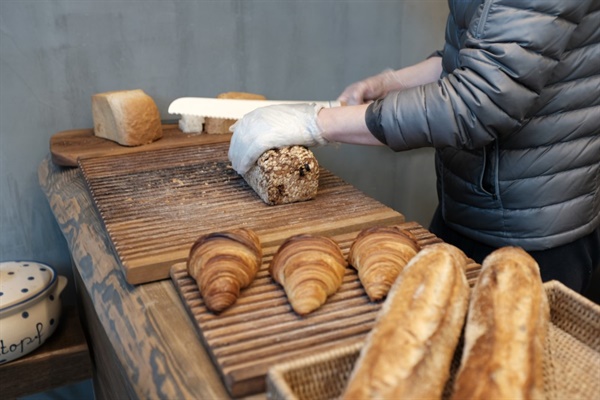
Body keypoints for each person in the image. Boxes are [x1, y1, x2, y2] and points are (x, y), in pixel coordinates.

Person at [228, 0, 600, 294]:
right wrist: (388, 84)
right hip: (472, 208)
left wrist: (316, 122)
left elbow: (478, 101)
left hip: (530, 234)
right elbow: (480, 61)